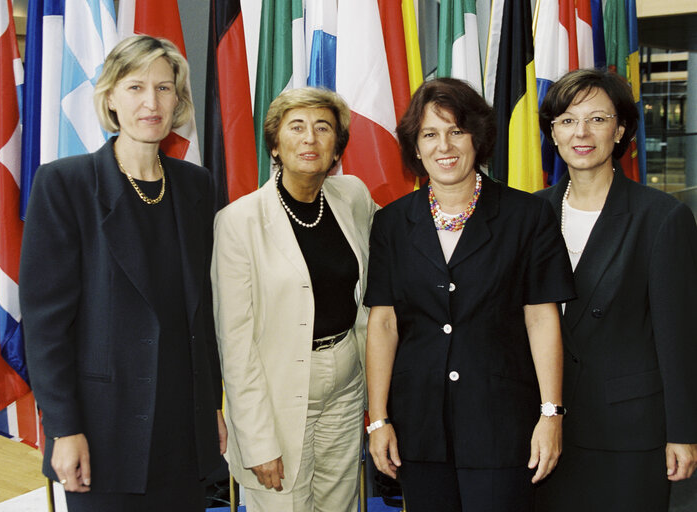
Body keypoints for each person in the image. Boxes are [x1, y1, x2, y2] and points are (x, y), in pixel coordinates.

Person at [20, 35, 226, 511]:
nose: (151, 102)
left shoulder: (197, 187)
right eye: (134, 88)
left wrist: (210, 405)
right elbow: (46, 325)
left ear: (178, 99)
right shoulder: (65, 185)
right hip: (102, 431)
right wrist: (63, 428)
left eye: (164, 88)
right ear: (110, 97)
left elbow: (204, 312)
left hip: (183, 426)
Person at [364, 77, 575, 512]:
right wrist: (379, 419)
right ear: (416, 149)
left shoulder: (527, 215)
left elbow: (542, 318)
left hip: (501, 422)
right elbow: (383, 324)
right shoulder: (390, 223)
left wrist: (551, 413)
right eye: (429, 134)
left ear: (477, 137)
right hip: (419, 428)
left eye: (456, 131)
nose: (444, 146)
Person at [534, 68, 697, 512]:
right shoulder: (530, 212)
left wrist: (681, 432)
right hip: (543, 428)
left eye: (597, 119)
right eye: (566, 120)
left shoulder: (661, 218)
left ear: (621, 129)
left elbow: (678, 336)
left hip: (627, 431)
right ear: (552, 131)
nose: (580, 133)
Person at [211, 87, 377, 512]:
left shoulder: (353, 197)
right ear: (275, 143)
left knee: (340, 505)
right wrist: (257, 438)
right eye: (297, 127)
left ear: (337, 147)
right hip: (278, 390)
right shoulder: (238, 222)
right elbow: (235, 343)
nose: (310, 139)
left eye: (323, 128)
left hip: (346, 383)